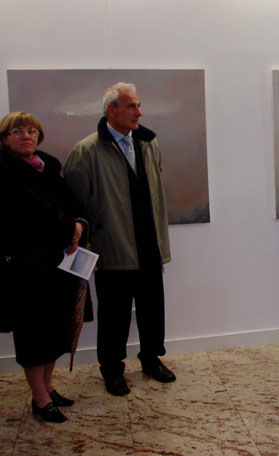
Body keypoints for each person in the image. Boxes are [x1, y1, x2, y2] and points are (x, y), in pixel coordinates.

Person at [64, 83, 175, 396]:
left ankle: (151, 359)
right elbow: (74, 206)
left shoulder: (149, 144)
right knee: (114, 315)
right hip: (112, 248)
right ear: (111, 110)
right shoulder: (86, 151)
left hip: (149, 245)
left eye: (139, 105)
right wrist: (88, 248)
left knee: (152, 309)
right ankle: (112, 370)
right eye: (131, 106)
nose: (139, 112)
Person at [0, 112, 86, 422]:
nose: (26, 135)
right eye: (17, 131)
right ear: (5, 138)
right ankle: (39, 398)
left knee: (54, 329)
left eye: (31, 131)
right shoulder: (4, 173)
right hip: (25, 268)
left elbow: (73, 207)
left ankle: (48, 387)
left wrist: (79, 224)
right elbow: (27, 219)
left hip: (57, 265)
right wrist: (67, 227)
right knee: (33, 333)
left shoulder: (49, 168)